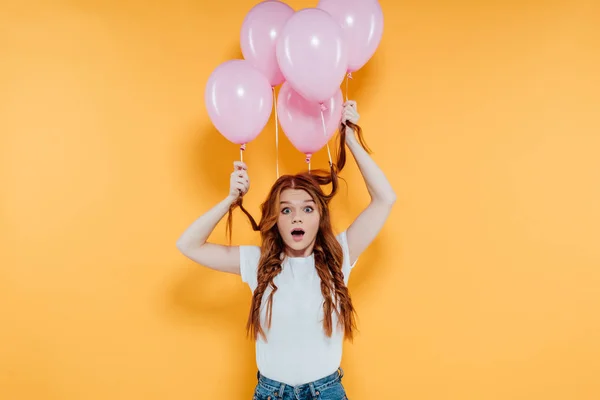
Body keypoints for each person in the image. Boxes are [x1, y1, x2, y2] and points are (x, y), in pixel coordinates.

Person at [176, 101, 396, 399]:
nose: (297, 217)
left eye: (307, 208)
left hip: (326, 392)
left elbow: (385, 198)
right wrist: (229, 199)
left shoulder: (339, 255)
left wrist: (350, 140)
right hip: (271, 394)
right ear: (274, 220)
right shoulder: (257, 262)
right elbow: (188, 245)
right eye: (286, 210)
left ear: (320, 217)